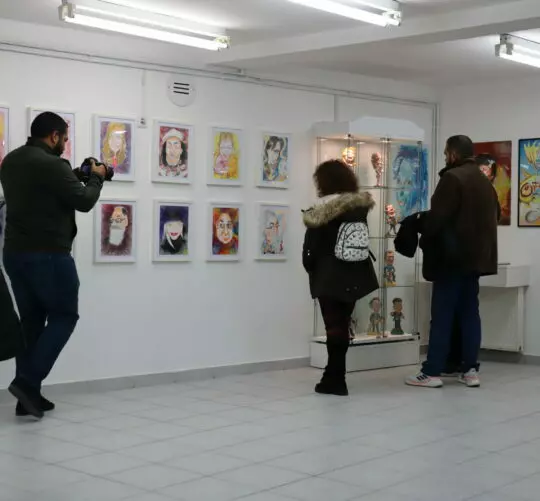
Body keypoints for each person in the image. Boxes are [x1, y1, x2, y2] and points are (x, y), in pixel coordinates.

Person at [0, 112, 105, 418]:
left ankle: (27, 398)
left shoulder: (11, 161)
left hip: (15, 255)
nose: (65, 144)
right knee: (64, 316)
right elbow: (84, 201)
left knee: (31, 323)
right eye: (65, 138)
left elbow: (46, 188)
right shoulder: (51, 164)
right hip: (49, 255)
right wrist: (96, 177)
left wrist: (76, 174)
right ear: (54, 136)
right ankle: (27, 383)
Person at [406, 135, 499, 389]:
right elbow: (495, 216)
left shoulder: (452, 178)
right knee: (470, 314)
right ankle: (470, 370)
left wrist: (421, 230)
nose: (445, 157)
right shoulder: (485, 182)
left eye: (446, 153)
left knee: (442, 315)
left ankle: (432, 371)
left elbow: (437, 219)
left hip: (451, 261)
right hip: (476, 261)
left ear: (453, 154)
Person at [303, 159, 379, 396]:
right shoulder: (358, 208)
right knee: (342, 326)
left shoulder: (323, 210)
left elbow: (312, 249)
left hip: (329, 276)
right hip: (355, 273)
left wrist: (310, 267)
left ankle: (335, 379)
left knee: (333, 328)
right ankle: (334, 375)